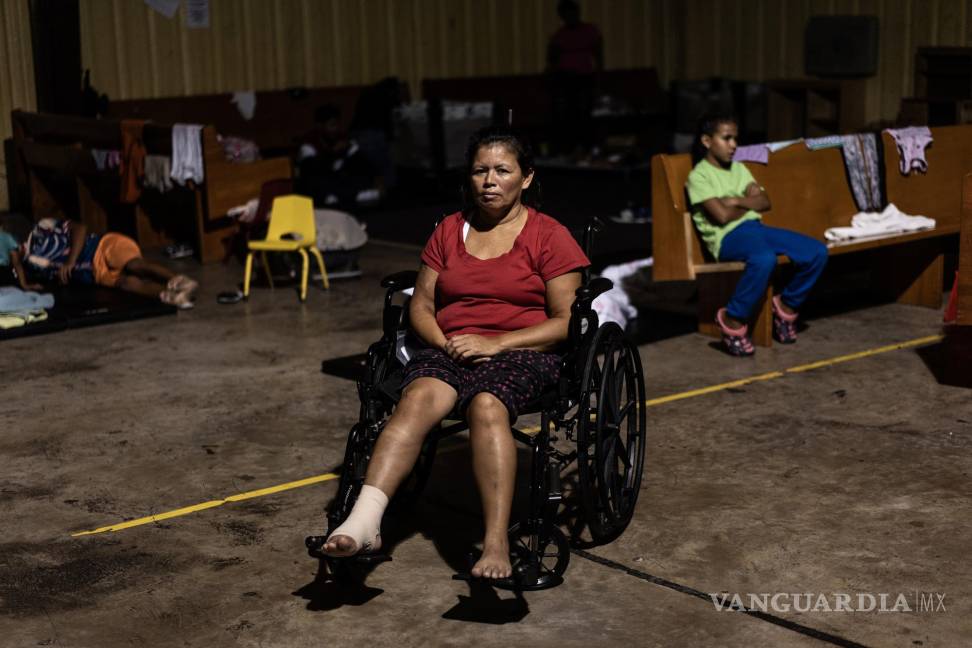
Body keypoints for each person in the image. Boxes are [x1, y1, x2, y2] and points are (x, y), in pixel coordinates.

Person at [322, 127, 590, 580]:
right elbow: (421, 304)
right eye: (480, 170)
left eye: (502, 171)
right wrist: (445, 341)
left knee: (487, 406)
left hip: (524, 347)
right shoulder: (449, 229)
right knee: (419, 399)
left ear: (525, 179)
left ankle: (495, 542)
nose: (489, 180)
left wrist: (497, 343)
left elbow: (567, 320)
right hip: (451, 345)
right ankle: (366, 522)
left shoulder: (549, 235)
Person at [686, 114, 827, 355]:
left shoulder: (739, 169)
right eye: (726, 138)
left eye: (735, 139)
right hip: (727, 239)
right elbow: (721, 216)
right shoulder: (698, 176)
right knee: (764, 259)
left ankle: (786, 306)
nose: (733, 145)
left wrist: (734, 201)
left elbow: (765, 201)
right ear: (707, 141)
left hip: (756, 230)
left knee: (816, 251)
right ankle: (732, 319)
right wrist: (747, 203)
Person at [10, 218, 198, 308]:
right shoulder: (32, 263)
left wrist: (70, 261)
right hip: (95, 273)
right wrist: (24, 284)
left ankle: (180, 282)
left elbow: (81, 228)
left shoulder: (43, 227)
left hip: (102, 246)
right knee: (127, 284)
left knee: (134, 266)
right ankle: (174, 298)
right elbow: (16, 262)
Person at [547, 0, 603, 157]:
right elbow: (552, 59)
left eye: (572, 13)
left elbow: (598, 56)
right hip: (565, 79)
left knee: (585, 113)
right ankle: (570, 147)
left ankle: (587, 147)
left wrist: (599, 79)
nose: (569, 17)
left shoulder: (590, 31)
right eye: (566, 14)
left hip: (585, 78)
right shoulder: (560, 35)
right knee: (569, 114)